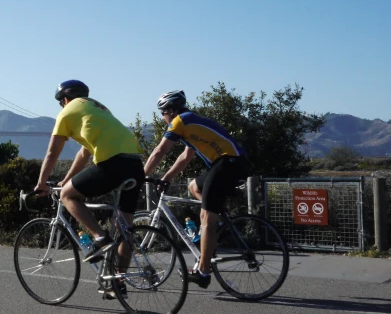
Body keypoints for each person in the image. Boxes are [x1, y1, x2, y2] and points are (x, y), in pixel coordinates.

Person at [34, 80, 145, 291]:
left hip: (113, 163)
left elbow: (52, 152)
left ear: (65, 100)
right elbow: (84, 153)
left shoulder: (66, 113)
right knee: (124, 228)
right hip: (135, 164)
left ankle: (100, 237)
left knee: (68, 196)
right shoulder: (97, 108)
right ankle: (117, 282)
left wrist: (41, 183)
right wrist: (67, 179)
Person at [144, 90, 249, 288]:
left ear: (171, 110)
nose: (163, 117)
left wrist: (141, 175)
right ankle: (218, 225)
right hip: (228, 163)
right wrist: (166, 178)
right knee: (194, 186)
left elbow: (160, 151)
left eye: (162, 113)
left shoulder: (180, 122)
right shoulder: (190, 123)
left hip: (228, 163)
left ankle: (203, 272)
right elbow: (185, 157)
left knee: (206, 218)